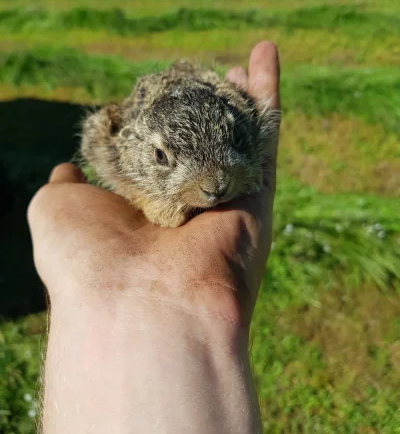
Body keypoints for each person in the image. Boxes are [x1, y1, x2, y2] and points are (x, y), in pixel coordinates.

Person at [28, 41, 280, 434]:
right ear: (145, 152)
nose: (215, 185)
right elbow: (101, 139)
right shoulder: (120, 142)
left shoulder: (241, 118)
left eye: (231, 142)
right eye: (164, 159)